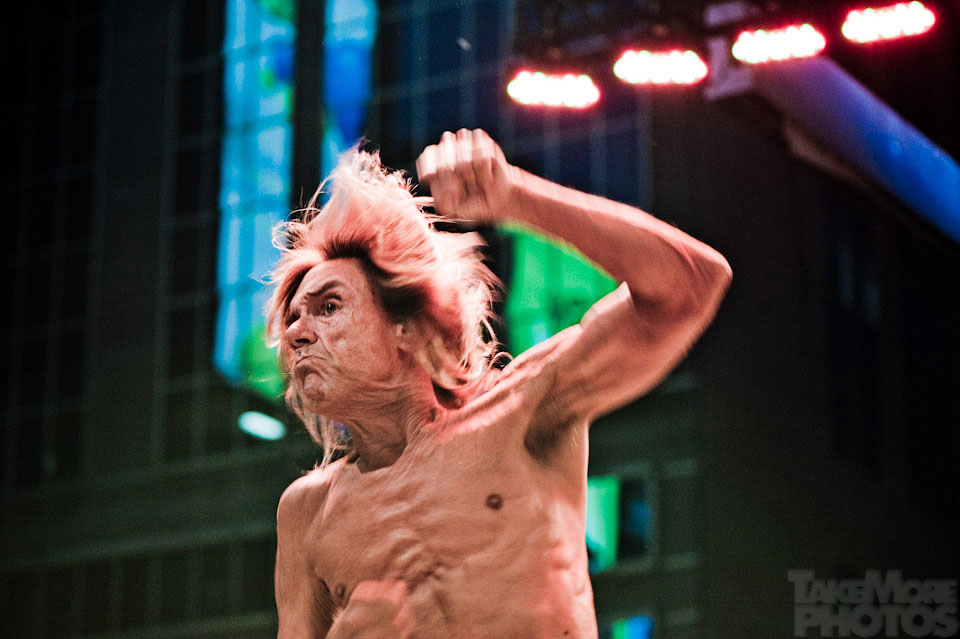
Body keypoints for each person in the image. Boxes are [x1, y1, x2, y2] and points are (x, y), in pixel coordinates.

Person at [270, 128, 731, 639]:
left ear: (407, 328)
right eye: (292, 319)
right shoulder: (306, 512)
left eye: (329, 306)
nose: (297, 333)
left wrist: (515, 196)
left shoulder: (520, 411)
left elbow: (692, 285)